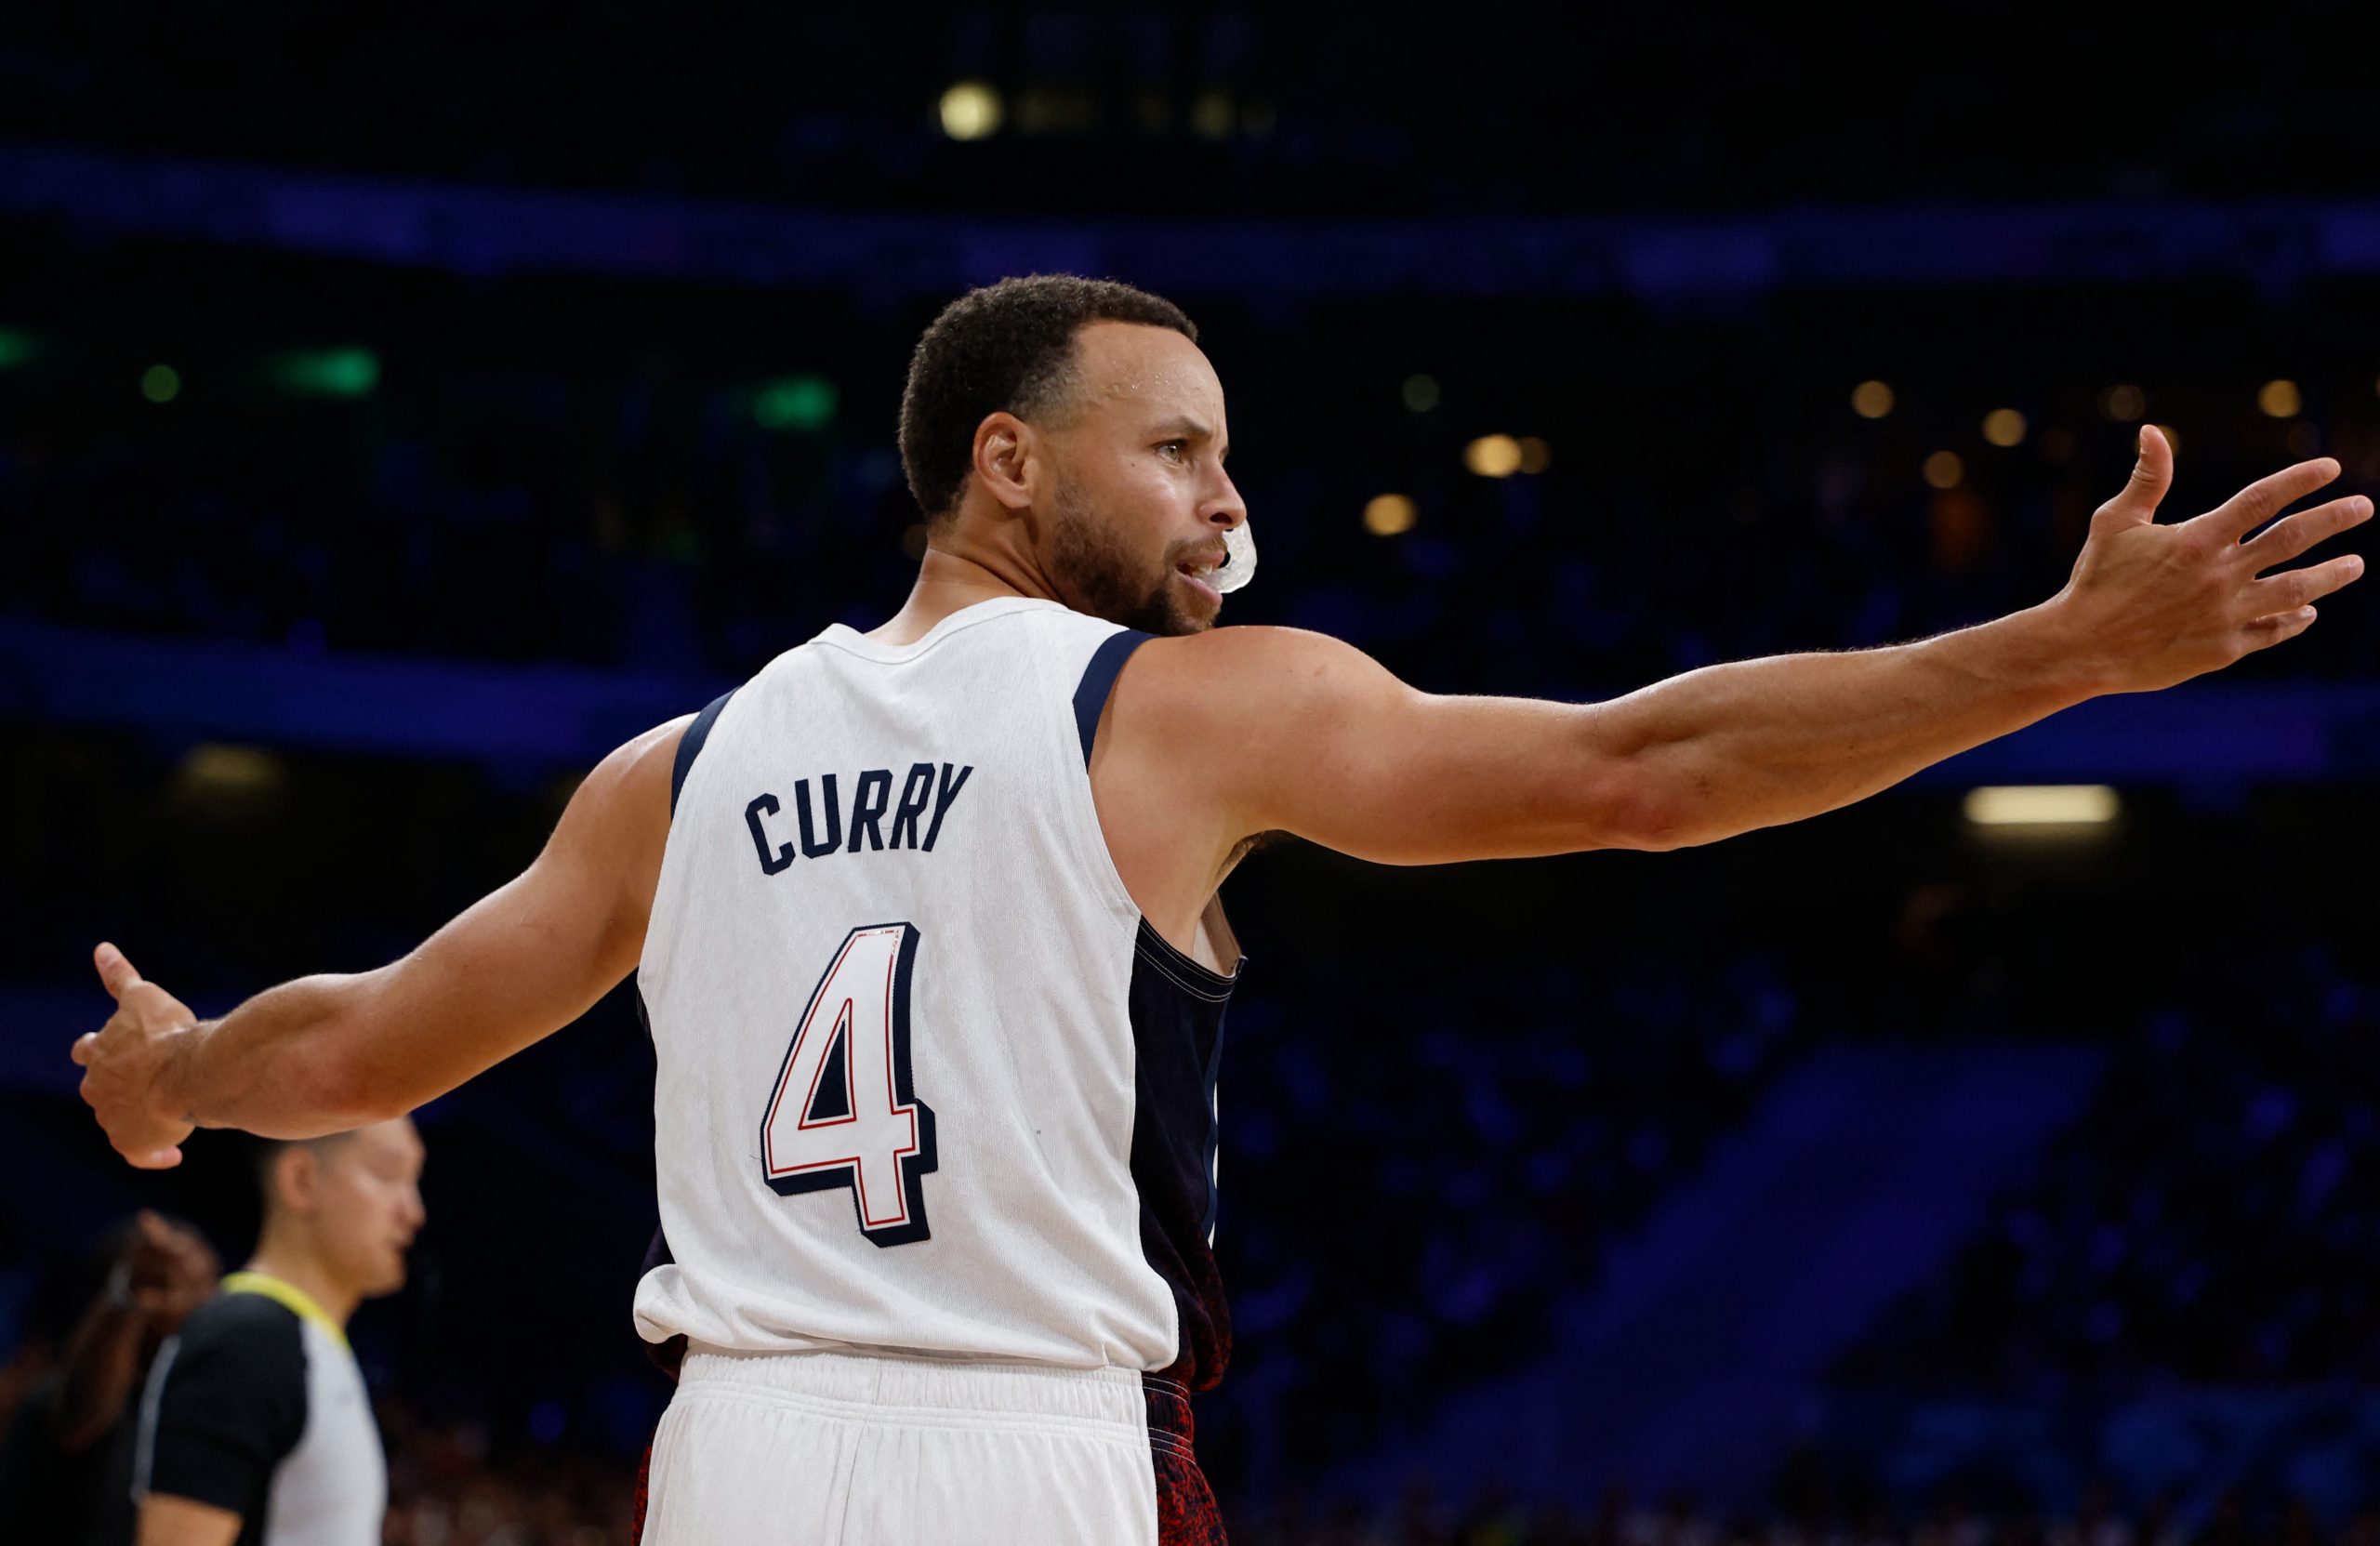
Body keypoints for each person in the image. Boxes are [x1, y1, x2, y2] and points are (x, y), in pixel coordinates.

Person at [70, 275, 2366, 1545]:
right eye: (1173, 441)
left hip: (737, 1450)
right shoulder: (1161, 715)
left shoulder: (676, 770)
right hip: (1029, 1445)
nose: (1222, 491)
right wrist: (2049, 655)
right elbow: (1634, 771)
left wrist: (170, 1079)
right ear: (1006, 459)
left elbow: (365, 1043)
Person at [130, 1118, 425, 1546]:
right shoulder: (248, 1339)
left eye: (414, 1182)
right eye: (387, 1173)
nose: (413, 1212)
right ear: (301, 1180)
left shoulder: (307, 1340)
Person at [0, 1210, 219, 1545]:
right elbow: (83, 1418)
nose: (207, 1307)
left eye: (210, 1286)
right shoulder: (63, 1397)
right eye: (179, 1286)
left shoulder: (196, 1415)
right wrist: (129, 1295)